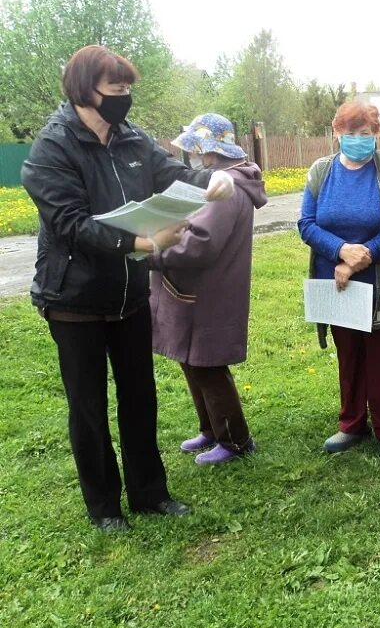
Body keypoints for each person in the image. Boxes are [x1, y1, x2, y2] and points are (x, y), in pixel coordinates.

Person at [21, 45, 236, 532]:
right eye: (115, 88)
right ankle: (103, 506)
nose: (124, 96)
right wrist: (142, 242)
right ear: (84, 91)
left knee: (140, 396)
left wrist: (210, 179)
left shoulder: (132, 137)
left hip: (130, 294)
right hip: (75, 299)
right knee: (89, 407)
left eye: (126, 88)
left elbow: (172, 171)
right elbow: (70, 223)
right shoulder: (52, 149)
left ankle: (150, 492)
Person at [298, 102, 380, 457]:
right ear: (337, 133)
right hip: (336, 281)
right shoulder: (321, 171)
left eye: (364, 133)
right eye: (350, 133)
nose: (357, 139)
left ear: (375, 133)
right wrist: (340, 251)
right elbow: (306, 224)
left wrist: (361, 257)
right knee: (348, 355)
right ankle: (351, 423)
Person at [148, 114, 267, 465]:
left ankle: (235, 440)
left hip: (207, 293)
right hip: (196, 291)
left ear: (209, 149)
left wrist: (152, 250)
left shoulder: (226, 188)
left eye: (197, 148)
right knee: (193, 363)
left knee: (207, 366)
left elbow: (200, 245)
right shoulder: (219, 179)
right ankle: (211, 430)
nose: (194, 155)